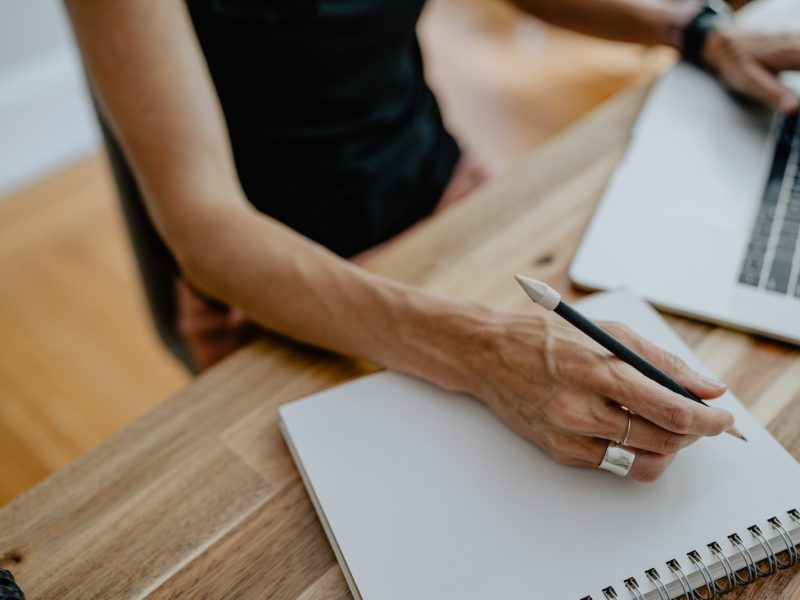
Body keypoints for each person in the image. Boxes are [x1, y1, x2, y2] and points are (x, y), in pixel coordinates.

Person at [66, 0, 798, 482]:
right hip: (279, 290)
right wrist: (484, 350)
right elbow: (203, 226)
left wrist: (693, 31)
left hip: (451, 191)